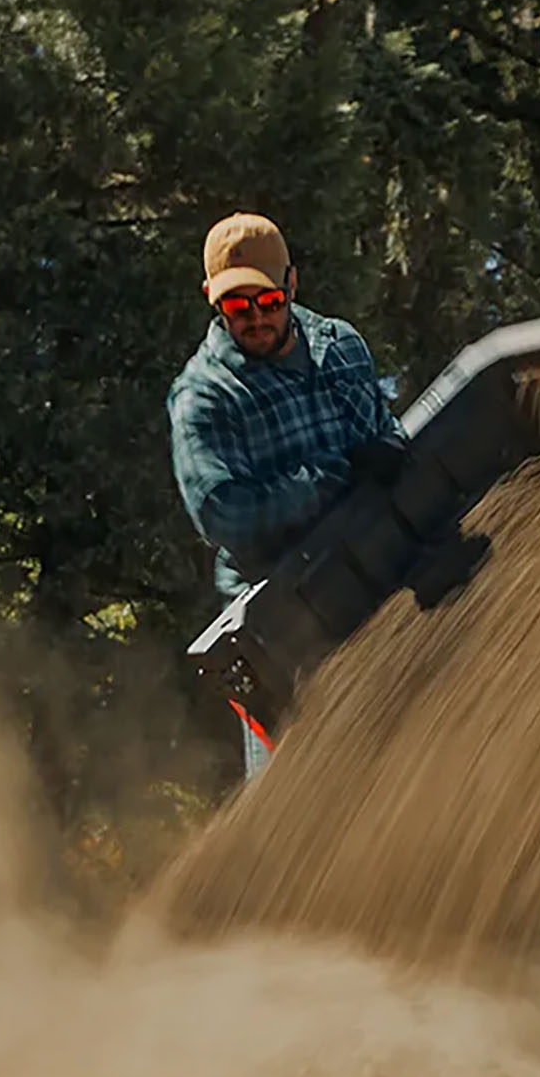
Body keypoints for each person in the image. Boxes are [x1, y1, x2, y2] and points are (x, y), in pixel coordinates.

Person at [168, 211, 408, 776]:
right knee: (300, 792)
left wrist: (389, 449)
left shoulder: (340, 345)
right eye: (235, 306)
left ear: (291, 285)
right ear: (211, 298)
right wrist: (327, 479)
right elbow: (223, 513)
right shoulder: (204, 397)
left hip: (375, 584)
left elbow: (382, 430)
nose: (253, 319)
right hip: (280, 621)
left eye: (268, 302)